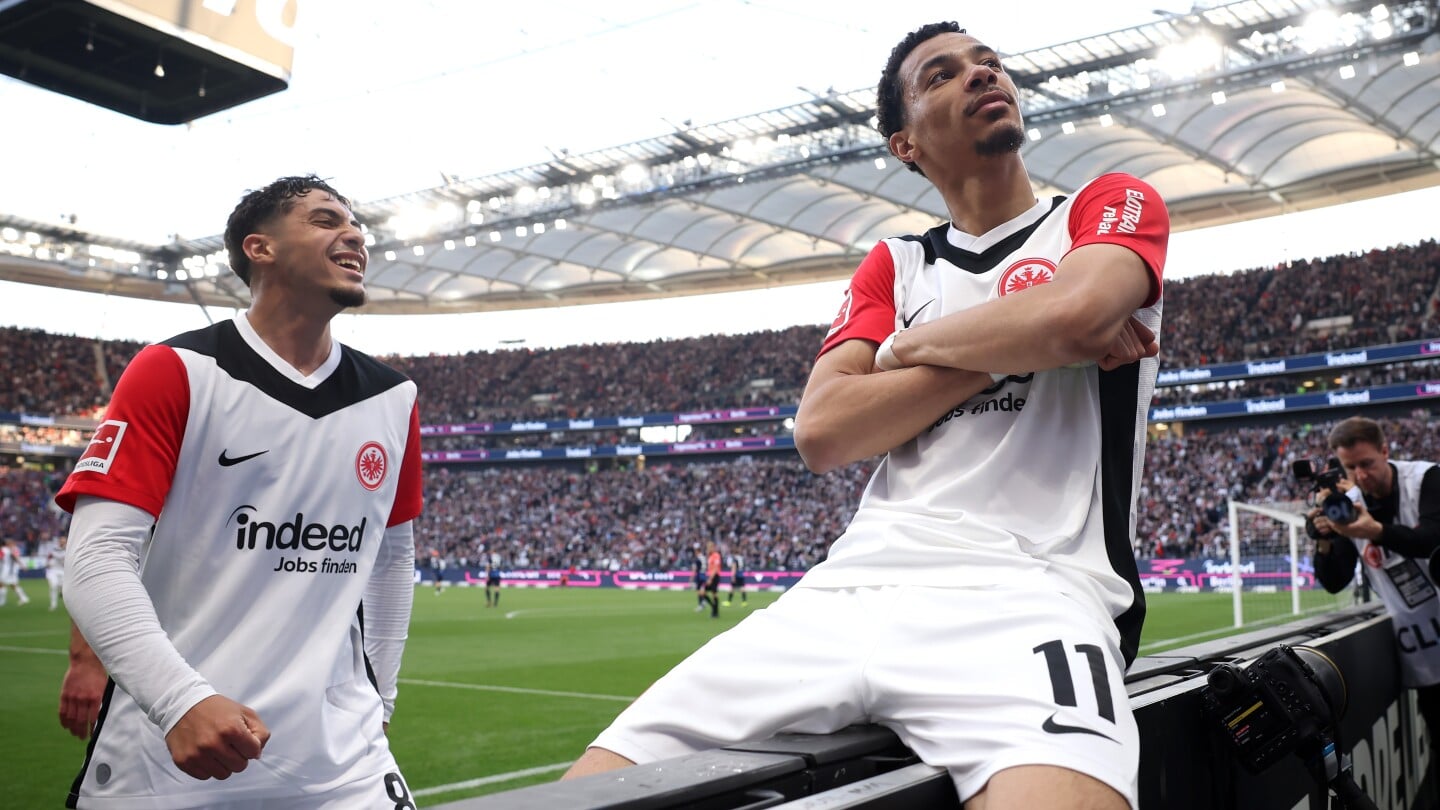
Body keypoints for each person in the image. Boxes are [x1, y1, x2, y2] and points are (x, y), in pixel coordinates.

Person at [564, 22, 1167, 810]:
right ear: (904, 144)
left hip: (1030, 596)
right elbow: (823, 431)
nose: (982, 73)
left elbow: (1077, 315)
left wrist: (904, 350)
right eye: (942, 74)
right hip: (843, 593)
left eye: (989, 62)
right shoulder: (896, 262)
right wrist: (1022, 338)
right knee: (587, 794)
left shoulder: (1106, 203)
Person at [55, 175, 424, 809]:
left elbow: (391, 561)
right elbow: (95, 559)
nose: (354, 235)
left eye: (356, 224)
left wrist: (380, 701)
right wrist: (180, 701)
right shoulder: (174, 371)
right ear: (261, 248)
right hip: (171, 755)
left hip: (344, 764)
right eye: (325, 219)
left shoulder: (394, 398)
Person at [1311, 417, 1440, 742]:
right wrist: (1324, 539)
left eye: (1367, 463)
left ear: (1385, 451)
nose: (1361, 475)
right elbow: (1335, 581)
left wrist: (1376, 531)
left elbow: (1431, 539)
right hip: (1427, 657)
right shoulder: (1349, 505)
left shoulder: (1425, 479)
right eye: (1351, 467)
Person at [0, 539, 29, 606]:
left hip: (6, 570)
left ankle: (2, 601)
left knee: (2, 584)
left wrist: (22, 565)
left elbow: (14, 557)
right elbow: (15, 557)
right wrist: (22, 565)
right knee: (12, 585)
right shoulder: (11, 549)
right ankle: (23, 598)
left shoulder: (4, 550)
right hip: (10, 570)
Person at [46, 535, 67, 611]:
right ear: (59, 541)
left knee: (64, 588)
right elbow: (49, 557)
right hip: (53, 570)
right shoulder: (54, 549)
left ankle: (61, 591)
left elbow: (60, 557)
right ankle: (53, 605)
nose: (62, 543)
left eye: (64, 542)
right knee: (53, 586)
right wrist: (48, 563)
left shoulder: (68, 550)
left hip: (62, 571)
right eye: (61, 541)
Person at [703, 541, 722, 619]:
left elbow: (716, 568)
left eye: (709, 547)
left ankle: (715, 612)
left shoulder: (716, 555)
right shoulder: (710, 556)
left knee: (714, 594)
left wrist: (710, 578)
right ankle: (714, 608)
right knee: (703, 592)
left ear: (712, 547)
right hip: (711, 576)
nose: (708, 549)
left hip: (715, 576)